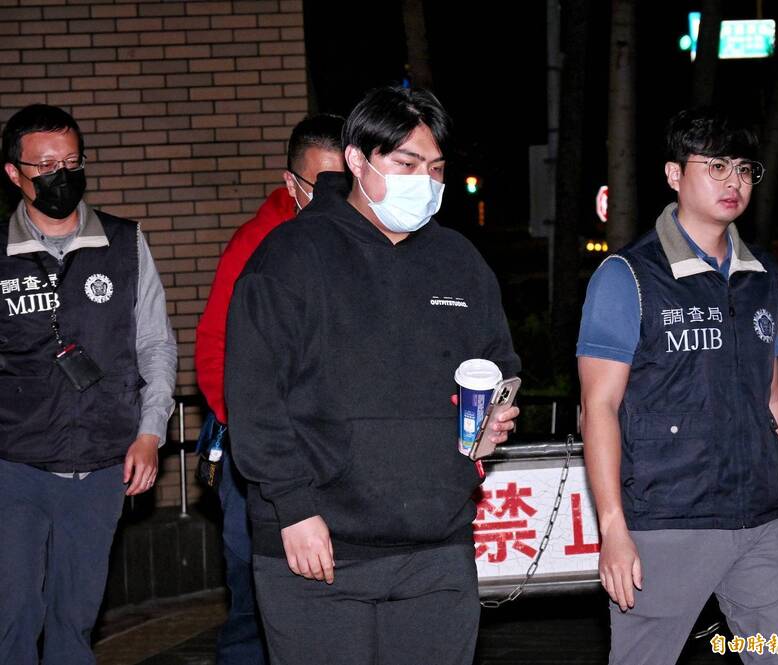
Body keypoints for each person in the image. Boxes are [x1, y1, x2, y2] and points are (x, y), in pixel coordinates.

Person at [225, 85, 520, 665]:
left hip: (438, 545)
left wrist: (493, 418)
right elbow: (255, 399)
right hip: (320, 546)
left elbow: (498, 362)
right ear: (358, 160)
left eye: (436, 168)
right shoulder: (290, 255)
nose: (425, 181)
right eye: (407, 164)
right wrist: (294, 508)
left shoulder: (459, 260)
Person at [577, 108, 778, 664]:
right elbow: (599, 406)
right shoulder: (628, 276)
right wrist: (614, 529)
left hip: (761, 525)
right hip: (667, 523)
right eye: (717, 166)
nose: (734, 181)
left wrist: (773, 473)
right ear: (675, 175)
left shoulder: (763, 276)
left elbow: (771, 394)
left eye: (745, 169)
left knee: (777, 653)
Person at [0, 104, 177, 665]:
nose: (62, 175)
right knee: (12, 616)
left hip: (100, 464)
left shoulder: (125, 243)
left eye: (72, 162)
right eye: (46, 165)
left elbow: (155, 344)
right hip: (15, 465)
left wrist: (149, 433)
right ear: (14, 173)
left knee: (74, 619)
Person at [194, 113, 345, 664]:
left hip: (334, 448)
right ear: (291, 182)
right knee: (255, 591)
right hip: (260, 447)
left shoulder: (363, 237)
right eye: (319, 186)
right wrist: (254, 431)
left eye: (343, 184)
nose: (332, 199)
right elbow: (214, 349)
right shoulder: (258, 244)